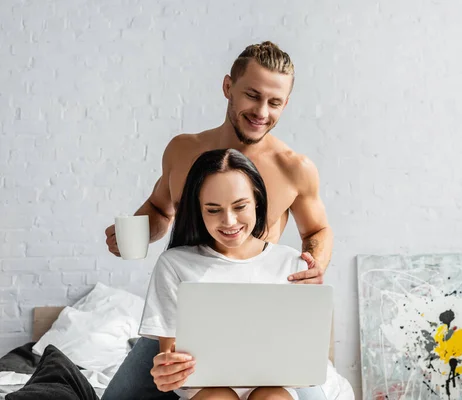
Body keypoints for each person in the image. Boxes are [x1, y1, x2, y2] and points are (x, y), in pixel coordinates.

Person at [102, 42, 333, 400]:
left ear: (285, 103)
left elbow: (317, 230)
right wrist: (134, 235)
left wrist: (313, 264)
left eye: (274, 102)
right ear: (228, 87)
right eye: (252, 96)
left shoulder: (293, 168)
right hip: (188, 323)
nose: (261, 111)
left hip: (262, 328)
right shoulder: (182, 150)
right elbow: (161, 210)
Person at [139, 148, 342, 400]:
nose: (229, 221)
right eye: (213, 210)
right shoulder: (175, 264)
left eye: (240, 206)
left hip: (276, 388)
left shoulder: (291, 263)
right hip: (206, 391)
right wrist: (168, 372)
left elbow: (304, 350)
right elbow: (169, 354)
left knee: (273, 397)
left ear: (257, 200)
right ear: (198, 210)